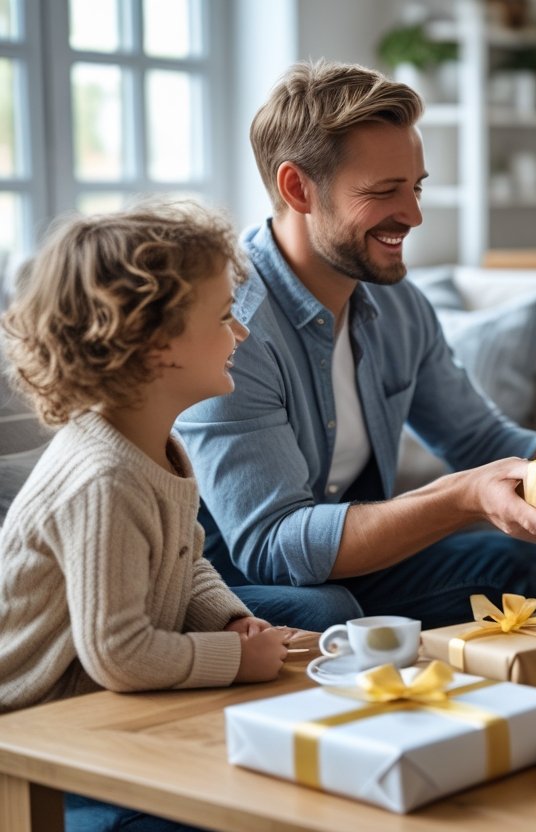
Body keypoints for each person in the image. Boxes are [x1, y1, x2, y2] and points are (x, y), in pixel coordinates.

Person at [176, 61, 536, 633]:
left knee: (516, 568)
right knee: (326, 613)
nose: (412, 215)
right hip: (226, 577)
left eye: (415, 187)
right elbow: (271, 547)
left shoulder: (398, 306)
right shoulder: (230, 326)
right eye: (384, 192)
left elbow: (481, 439)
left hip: (342, 572)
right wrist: (460, 498)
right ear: (298, 188)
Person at [0, 202, 290, 831]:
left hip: (97, 697)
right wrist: (238, 661)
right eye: (222, 318)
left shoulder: (155, 442)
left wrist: (234, 622)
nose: (239, 334)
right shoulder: (103, 478)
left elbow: (187, 563)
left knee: (309, 623)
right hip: (38, 732)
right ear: (157, 348)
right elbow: (120, 654)